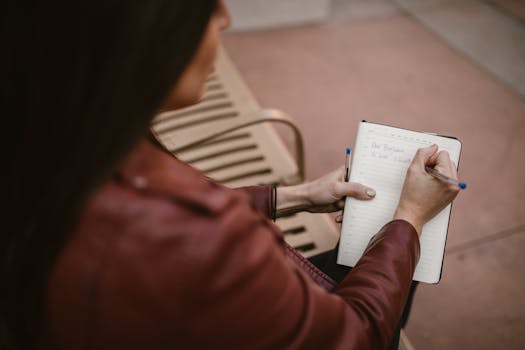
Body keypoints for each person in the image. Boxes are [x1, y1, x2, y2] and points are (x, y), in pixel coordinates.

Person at [1, 1, 460, 349]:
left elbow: (172, 222)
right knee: (403, 247)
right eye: (202, 7)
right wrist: (411, 217)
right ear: (134, 38)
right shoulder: (196, 235)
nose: (224, 17)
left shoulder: (49, 146)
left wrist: (294, 196)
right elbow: (355, 337)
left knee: (373, 243)